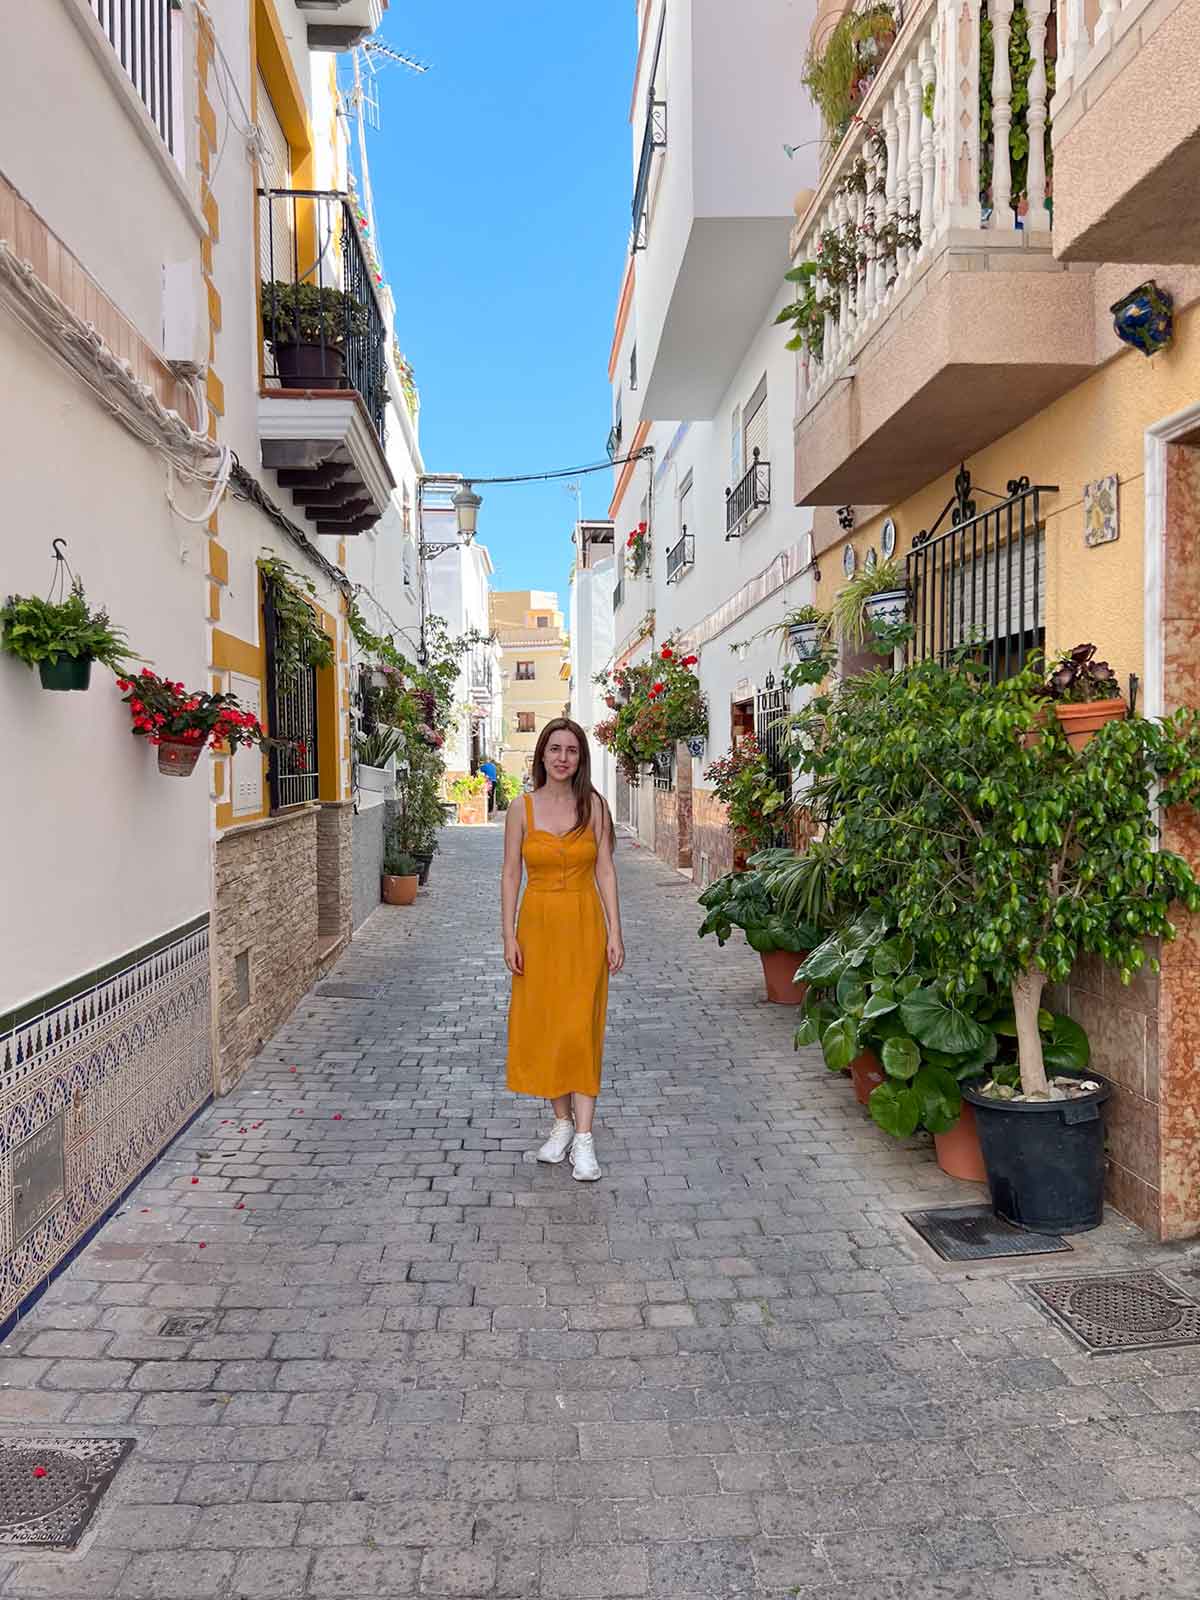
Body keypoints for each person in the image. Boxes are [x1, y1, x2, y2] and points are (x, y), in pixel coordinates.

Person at [502, 718, 624, 1180]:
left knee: (579, 1028)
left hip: (583, 924)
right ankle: (561, 1124)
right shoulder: (521, 809)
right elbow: (511, 873)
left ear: (580, 758)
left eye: (571, 750)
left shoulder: (593, 806)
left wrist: (615, 931)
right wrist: (508, 934)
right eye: (555, 749)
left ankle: (586, 1141)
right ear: (542, 755)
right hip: (537, 926)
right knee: (548, 1026)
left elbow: (607, 871)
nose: (562, 758)